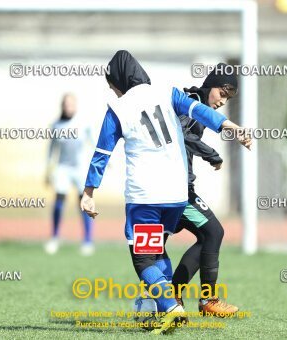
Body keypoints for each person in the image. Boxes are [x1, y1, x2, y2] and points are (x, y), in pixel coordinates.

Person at [80, 50, 251, 334]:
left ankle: (169, 305)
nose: (114, 90)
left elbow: (101, 153)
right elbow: (199, 113)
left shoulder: (118, 109)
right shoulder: (168, 92)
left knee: (144, 257)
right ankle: (175, 302)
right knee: (160, 249)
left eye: (113, 86)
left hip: (146, 195)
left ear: (119, 80)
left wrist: (88, 192)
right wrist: (229, 125)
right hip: (176, 194)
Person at [172, 63, 239, 316]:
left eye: (228, 98)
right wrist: (211, 154)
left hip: (177, 187)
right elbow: (179, 135)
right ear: (210, 85)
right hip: (172, 190)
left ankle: (174, 298)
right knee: (213, 233)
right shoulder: (190, 103)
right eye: (222, 93)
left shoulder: (195, 104)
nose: (223, 101)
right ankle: (204, 300)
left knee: (210, 235)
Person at [45, 93, 95, 256]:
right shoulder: (56, 125)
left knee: (83, 203)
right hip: (63, 168)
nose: (68, 107)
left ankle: (87, 241)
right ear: (62, 106)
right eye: (66, 104)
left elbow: (93, 142)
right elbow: (51, 149)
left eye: (71, 104)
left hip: (80, 169)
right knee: (59, 200)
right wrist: (48, 169)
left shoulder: (83, 123)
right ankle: (54, 238)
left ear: (75, 106)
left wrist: (102, 162)